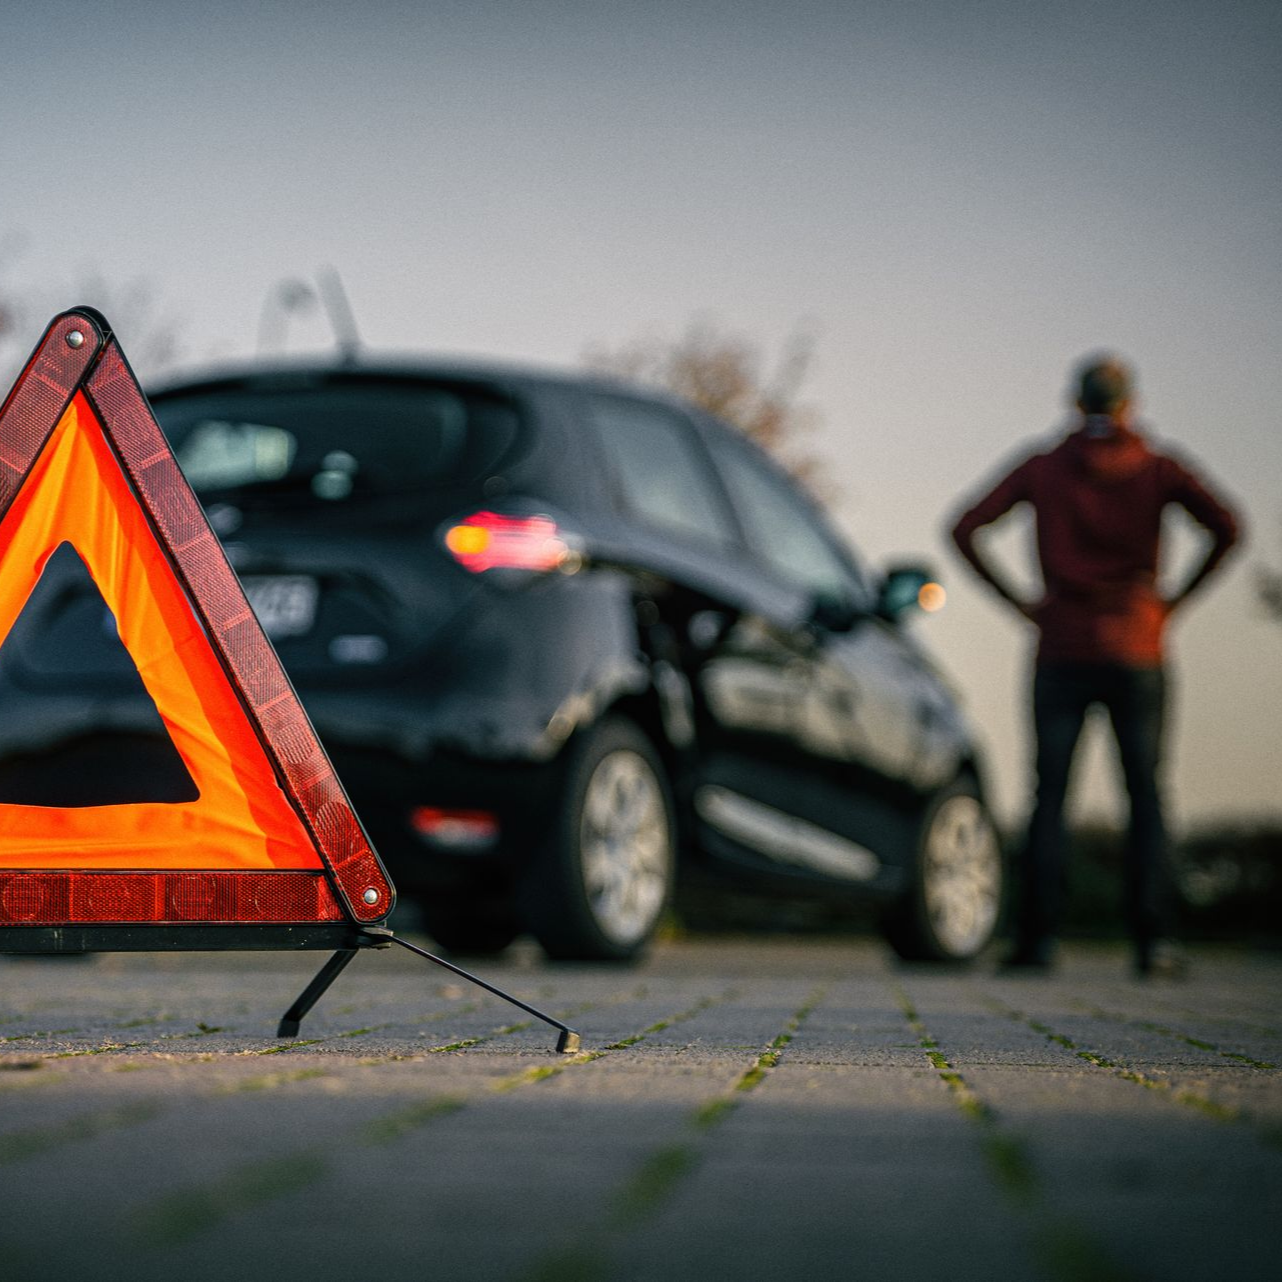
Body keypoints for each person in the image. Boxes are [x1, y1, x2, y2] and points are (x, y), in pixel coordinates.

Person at [949, 355, 1242, 976]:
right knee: (1146, 795)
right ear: (1130, 404)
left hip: (1060, 645)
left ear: (1076, 403)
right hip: (1138, 646)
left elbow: (964, 527)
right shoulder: (1158, 467)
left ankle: (1037, 942)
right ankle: (1154, 942)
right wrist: (1174, 603)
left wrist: (1019, 603)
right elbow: (1229, 527)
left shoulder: (1043, 467)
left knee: (1048, 795)